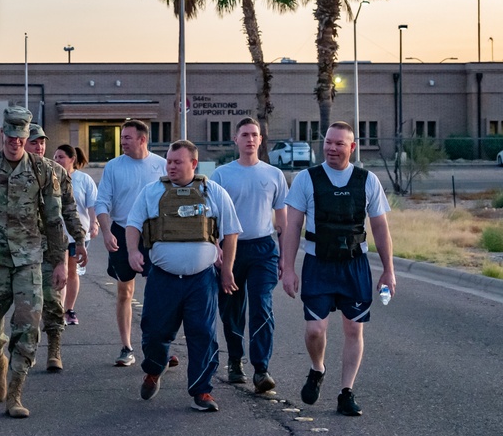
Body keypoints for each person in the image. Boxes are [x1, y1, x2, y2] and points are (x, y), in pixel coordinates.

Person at [281, 121, 395, 417]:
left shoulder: (367, 180)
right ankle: (317, 368)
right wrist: (289, 268)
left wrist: (388, 270)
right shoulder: (307, 179)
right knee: (315, 330)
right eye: (328, 142)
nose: (332, 148)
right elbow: (293, 226)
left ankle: (346, 392)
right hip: (319, 264)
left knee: (353, 328)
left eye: (339, 143)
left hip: (354, 265)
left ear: (352, 147)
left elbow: (380, 228)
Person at [0, 106, 67, 418]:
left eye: (22, 137)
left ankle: (15, 394)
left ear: (27, 136)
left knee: (27, 329)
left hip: (30, 260)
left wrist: (60, 261)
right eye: (11, 136)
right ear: (3, 134)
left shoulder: (43, 170)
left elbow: (53, 219)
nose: (16, 142)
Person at [126, 140, 240, 412]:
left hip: (201, 280)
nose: (172, 166)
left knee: (202, 333)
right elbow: (133, 223)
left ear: (194, 163)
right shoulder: (152, 192)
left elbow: (231, 232)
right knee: (155, 332)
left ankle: (202, 391)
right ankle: (154, 368)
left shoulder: (214, 192)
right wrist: (133, 251)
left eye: (178, 161)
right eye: (169, 161)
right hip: (163, 278)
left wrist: (226, 272)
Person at [210, 117, 288, 393]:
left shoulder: (274, 175)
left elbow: (282, 219)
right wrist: (216, 249)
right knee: (231, 309)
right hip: (231, 249)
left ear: (261, 139)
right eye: (245, 134)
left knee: (261, 306)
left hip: (263, 249)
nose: (250, 139)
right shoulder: (221, 175)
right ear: (236, 139)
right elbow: (211, 217)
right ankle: (234, 360)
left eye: (255, 134)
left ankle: (261, 369)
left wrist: (284, 258)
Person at [95, 120, 166, 367]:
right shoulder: (114, 167)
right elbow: (102, 202)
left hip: (154, 235)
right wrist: (106, 232)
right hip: (122, 232)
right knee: (125, 291)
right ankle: (126, 347)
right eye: (122, 137)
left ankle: (159, 345)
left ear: (142, 139)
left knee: (158, 292)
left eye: (127, 137)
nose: (123, 141)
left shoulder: (162, 166)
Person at [25, 124, 86, 372]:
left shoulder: (57, 172)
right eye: (34, 142)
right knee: (27, 306)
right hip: (21, 249)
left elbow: (70, 210)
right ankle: (27, 351)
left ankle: (54, 350)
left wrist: (79, 240)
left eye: (42, 142)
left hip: (52, 247)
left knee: (52, 302)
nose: (39, 146)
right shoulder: (10, 172)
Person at [53, 143, 99, 326]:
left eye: (61, 157)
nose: (57, 160)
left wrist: (94, 224)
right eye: (55, 157)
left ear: (72, 159)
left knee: (73, 272)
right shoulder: (51, 177)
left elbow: (92, 205)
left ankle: (68, 309)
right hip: (57, 234)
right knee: (60, 270)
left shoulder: (84, 179)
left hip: (78, 234)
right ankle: (58, 310)